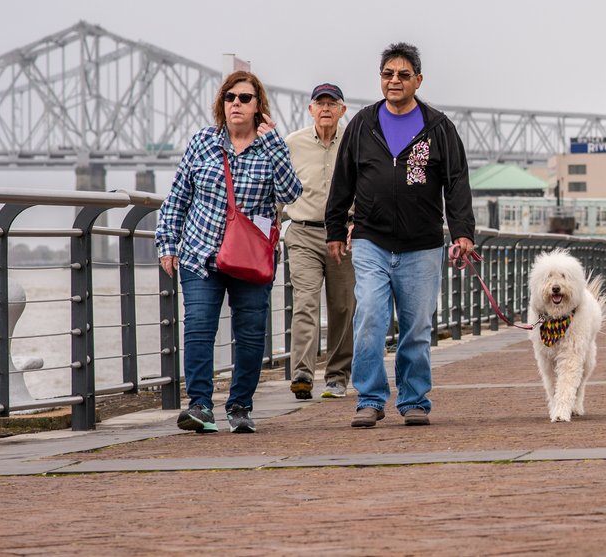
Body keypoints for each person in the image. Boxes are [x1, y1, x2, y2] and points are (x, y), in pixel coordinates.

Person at [325, 42, 475, 429]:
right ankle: (371, 399)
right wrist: (336, 229)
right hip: (371, 240)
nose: (395, 81)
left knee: (416, 327)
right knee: (371, 317)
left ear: (418, 81)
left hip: (422, 245)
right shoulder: (362, 124)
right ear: (381, 79)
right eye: (388, 74)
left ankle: (413, 399)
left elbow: (457, 184)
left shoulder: (438, 127)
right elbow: (343, 180)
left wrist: (463, 234)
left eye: (403, 75)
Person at [156, 71, 302, 434]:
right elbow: (177, 198)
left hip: (249, 259)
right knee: (199, 328)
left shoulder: (271, 148)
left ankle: (240, 406)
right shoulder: (202, 142)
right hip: (200, 253)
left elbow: (290, 193)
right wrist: (167, 244)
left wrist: (275, 146)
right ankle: (201, 406)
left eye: (245, 98)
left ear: (258, 107)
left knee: (251, 334)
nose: (236, 103)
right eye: (230, 97)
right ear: (221, 104)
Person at [283, 83, 356, 401]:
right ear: (310, 109)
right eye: (320, 103)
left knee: (343, 307)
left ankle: (337, 376)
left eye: (332, 103)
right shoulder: (292, 143)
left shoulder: (355, 141)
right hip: (301, 231)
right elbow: (278, 187)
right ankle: (301, 373)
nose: (326, 108)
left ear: (343, 110)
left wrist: (359, 223)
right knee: (305, 303)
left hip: (344, 233)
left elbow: (367, 185)